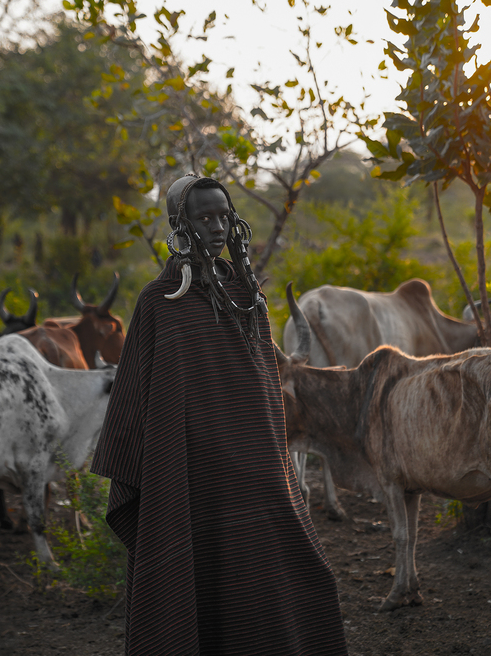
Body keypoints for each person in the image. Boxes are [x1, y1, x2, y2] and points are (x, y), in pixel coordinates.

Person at [90, 174, 348, 655]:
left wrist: (269, 458)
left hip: (257, 473)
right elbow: (141, 399)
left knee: (301, 577)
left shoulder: (249, 297)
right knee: (197, 584)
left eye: (224, 216)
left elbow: (263, 394)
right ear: (180, 225)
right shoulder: (159, 303)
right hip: (191, 476)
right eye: (204, 217)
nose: (216, 227)